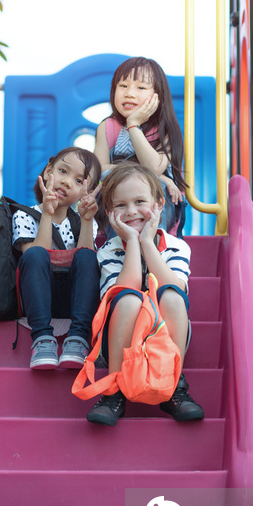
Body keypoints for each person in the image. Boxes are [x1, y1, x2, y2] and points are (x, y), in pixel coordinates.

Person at [86, 163, 204, 426]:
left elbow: (177, 288)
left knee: (172, 295)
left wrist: (147, 243)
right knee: (128, 299)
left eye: (140, 201)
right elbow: (121, 291)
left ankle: (174, 386)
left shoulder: (176, 247)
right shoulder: (108, 251)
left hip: (163, 335)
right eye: (120, 205)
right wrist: (131, 243)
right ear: (109, 212)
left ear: (159, 205)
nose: (131, 212)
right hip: (119, 339)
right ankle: (114, 391)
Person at [12, 146, 102, 370]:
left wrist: (88, 221)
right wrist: (47, 215)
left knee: (88, 257)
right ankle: (42, 339)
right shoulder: (24, 215)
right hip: (38, 298)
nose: (67, 182)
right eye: (63, 171)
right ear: (48, 169)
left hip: (73, 300)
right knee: (34, 254)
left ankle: (78, 338)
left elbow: (86, 265)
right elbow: (34, 256)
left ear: (87, 191)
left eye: (79, 181)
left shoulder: (84, 219)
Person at [93, 56, 187, 237]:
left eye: (141, 87)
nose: (129, 93)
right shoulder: (108, 126)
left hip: (159, 209)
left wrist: (133, 124)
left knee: (158, 183)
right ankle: (120, 248)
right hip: (119, 209)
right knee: (110, 178)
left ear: (158, 95)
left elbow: (153, 167)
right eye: (123, 86)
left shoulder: (165, 129)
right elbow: (99, 169)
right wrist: (147, 173)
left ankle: (155, 248)